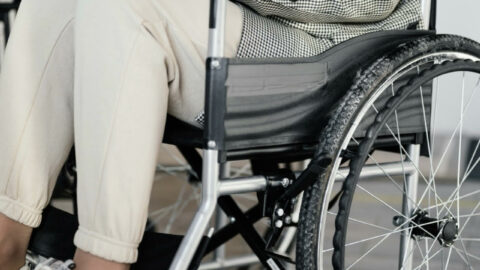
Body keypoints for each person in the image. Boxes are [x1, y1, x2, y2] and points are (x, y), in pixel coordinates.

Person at [0, 0, 421, 269]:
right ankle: (7, 236)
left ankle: (102, 259)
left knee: (122, 7)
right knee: (51, 3)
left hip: (329, 44)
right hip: (230, 19)